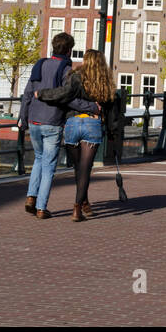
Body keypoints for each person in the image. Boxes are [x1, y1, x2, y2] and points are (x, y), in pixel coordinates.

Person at [18, 33, 97, 218]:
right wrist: (92, 107)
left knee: (38, 159)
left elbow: (27, 93)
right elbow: (68, 98)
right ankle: (41, 208)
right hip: (52, 121)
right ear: (69, 50)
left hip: (34, 120)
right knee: (49, 166)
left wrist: (23, 118)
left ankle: (31, 196)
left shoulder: (40, 64)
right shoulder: (66, 69)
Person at [37, 48, 113, 221]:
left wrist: (41, 94)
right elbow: (109, 107)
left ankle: (84, 202)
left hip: (72, 123)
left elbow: (65, 96)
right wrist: (110, 129)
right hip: (92, 124)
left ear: (86, 61)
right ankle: (78, 207)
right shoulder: (105, 81)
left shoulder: (76, 77)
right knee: (85, 169)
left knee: (78, 168)